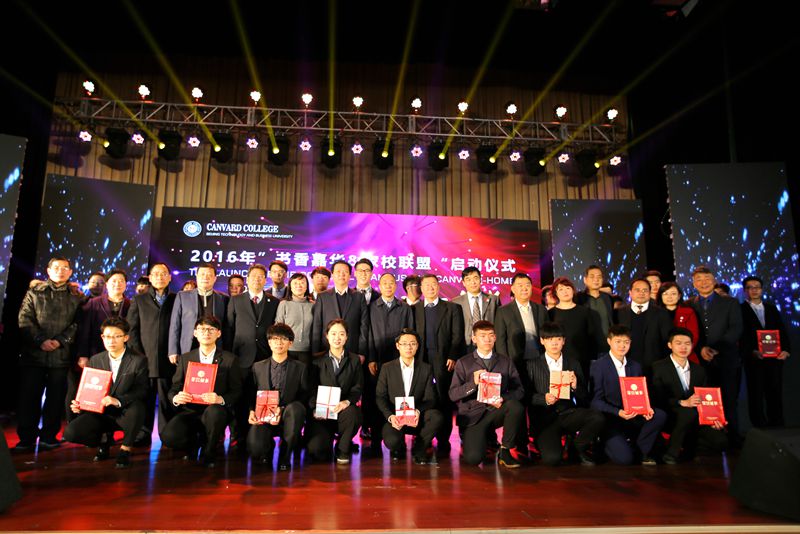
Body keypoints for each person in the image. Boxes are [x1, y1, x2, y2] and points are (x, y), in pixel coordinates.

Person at [16, 257, 84, 451]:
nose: (60, 271)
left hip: (61, 355)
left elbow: (78, 323)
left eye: (64, 268)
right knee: (29, 398)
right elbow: (25, 319)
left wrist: (60, 340)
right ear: (48, 270)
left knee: (55, 400)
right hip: (33, 355)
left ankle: (49, 437)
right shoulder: (34, 292)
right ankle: (26, 438)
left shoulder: (76, 296)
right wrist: (40, 341)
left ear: (70, 272)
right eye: (56, 268)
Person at [64, 317, 149, 468]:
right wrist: (81, 405)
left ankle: (125, 449)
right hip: (102, 411)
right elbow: (90, 390)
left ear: (126, 338)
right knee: (71, 433)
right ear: (102, 337)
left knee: (137, 408)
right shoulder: (96, 360)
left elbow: (142, 390)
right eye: (107, 336)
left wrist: (118, 400)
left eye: (117, 336)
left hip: (125, 410)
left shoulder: (138, 360)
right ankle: (104, 441)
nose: (111, 341)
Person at [161, 316, 242, 467]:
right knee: (169, 437)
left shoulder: (230, 359)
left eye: (211, 329)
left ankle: (209, 451)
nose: (206, 333)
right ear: (195, 333)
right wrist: (176, 398)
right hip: (191, 409)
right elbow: (174, 388)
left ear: (218, 333)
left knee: (214, 413)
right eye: (202, 329)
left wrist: (220, 399)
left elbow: (237, 391)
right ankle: (194, 443)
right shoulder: (186, 358)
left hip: (216, 411)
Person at [449, 321, 525, 468]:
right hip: (473, 416)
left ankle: (505, 450)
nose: (487, 339)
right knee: (474, 459)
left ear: (495, 337)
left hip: (495, 411)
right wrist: (473, 384)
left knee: (515, 406)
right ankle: (479, 438)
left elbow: (519, 390)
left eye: (490, 335)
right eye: (482, 336)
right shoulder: (463, 363)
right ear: (474, 338)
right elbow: (453, 394)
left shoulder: (505, 361)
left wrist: (503, 398)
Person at [526, 322, 604, 466]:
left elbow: (584, 396)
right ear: (542, 341)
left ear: (564, 341)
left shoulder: (573, 363)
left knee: (597, 417)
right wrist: (544, 398)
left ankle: (576, 447)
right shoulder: (531, 364)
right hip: (545, 420)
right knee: (552, 459)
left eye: (558, 339)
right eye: (550, 339)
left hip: (568, 414)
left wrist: (575, 387)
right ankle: (544, 443)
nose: (554, 343)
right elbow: (526, 395)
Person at [590, 325, 666, 465]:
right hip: (612, 417)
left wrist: (646, 408)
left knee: (659, 415)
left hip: (633, 415)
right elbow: (595, 401)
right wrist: (618, 412)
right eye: (618, 341)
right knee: (625, 459)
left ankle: (640, 450)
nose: (622, 346)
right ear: (609, 341)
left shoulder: (635, 366)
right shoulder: (598, 366)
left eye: (626, 342)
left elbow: (640, 393)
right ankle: (607, 444)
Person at [651, 327, 728, 464]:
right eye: (678, 343)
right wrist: (682, 402)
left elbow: (706, 398)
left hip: (695, 417)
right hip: (669, 414)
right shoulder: (657, 367)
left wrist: (714, 418)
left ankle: (689, 446)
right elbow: (656, 399)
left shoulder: (699, 370)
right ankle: (671, 453)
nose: (683, 347)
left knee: (721, 441)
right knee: (687, 413)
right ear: (670, 345)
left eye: (687, 343)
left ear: (692, 345)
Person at [226, 264, 280, 448]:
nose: (257, 279)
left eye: (261, 276)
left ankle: (261, 434)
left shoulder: (274, 301)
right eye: (253, 276)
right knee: (240, 396)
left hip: (264, 356)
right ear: (247, 279)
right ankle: (237, 434)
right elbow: (229, 328)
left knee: (262, 394)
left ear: (266, 280)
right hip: (241, 356)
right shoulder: (236, 300)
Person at [688, 265, 743, 440]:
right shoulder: (688, 304)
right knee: (703, 399)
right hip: (699, 360)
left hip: (726, 358)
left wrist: (715, 348)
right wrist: (700, 348)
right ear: (694, 283)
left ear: (714, 281)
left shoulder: (730, 302)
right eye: (699, 280)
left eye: (707, 279)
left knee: (728, 399)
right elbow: (688, 331)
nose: (703, 283)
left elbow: (736, 328)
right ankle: (709, 439)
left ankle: (732, 437)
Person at [413, 274, 465, 455]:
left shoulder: (452, 308)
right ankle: (423, 437)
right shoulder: (414, 309)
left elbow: (458, 335)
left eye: (433, 284)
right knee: (421, 396)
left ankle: (443, 439)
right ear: (421, 288)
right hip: (420, 359)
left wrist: (452, 355)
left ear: (438, 286)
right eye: (426, 285)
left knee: (444, 398)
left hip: (444, 359)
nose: (430, 287)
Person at [246, 323, 309, 471]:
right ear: (269, 342)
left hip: (288, 415)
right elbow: (250, 393)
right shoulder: (257, 367)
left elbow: (304, 395)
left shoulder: (300, 368)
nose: (279, 343)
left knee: (296, 409)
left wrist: (282, 408)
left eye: (283, 339)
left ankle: (285, 455)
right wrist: (251, 411)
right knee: (256, 449)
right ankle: (267, 448)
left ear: (290, 343)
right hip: (264, 416)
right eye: (275, 339)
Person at [375, 329, 443, 464]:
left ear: (417, 346)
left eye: (412, 343)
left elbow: (431, 399)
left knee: (436, 416)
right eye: (404, 343)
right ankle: (399, 447)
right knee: (392, 441)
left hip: (417, 417)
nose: (409, 347)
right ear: (397, 346)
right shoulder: (387, 368)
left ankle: (420, 447)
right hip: (395, 418)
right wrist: (390, 416)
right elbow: (380, 397)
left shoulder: (426, 368)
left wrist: (418, 411)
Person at [127, 262, 178, 443]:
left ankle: (167, 434)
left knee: (167, 401)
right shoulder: (139, 300)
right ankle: (142, 433)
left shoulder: (176, 299)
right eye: (156, 274)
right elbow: (132, 330)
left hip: (169, 360)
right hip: (145, 360)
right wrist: (139, 356)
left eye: (163, 273)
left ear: (169, 277)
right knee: (144, 399)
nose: (160, 277)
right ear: (150, 277)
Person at [72, 269, 131, 423]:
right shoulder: (94, 303)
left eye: (121, 281)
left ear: (126, 284)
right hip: (96, 353)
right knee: (96, 392)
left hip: (121, 356)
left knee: (115, 390)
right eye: (114, 281)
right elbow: (85, 330)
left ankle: (112, 426)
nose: (117, 284)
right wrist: (83, 354)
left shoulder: (131, 304)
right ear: (107, 284)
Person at [365, 273, 413, 446]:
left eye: (391, 283)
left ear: (396, 285)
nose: (388, 286)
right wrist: (371, 358)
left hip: (398, 359)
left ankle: (398, 436)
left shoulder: (404, 307)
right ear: (379, 285)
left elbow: (410, 334)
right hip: (377, 359)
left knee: (398, 395)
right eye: (384, 283)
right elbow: (368, 333)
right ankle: (375, 436)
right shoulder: (371, 307)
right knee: (377, 396)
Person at [307, 320, 363, 464]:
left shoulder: (354, 360)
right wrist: (314, 409)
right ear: (327, 336)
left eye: (341, 334)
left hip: (343, 410)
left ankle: (342, 447)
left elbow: (357, 387)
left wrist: (347, 402)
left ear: (346, 337)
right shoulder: (316, 360)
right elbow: (311, 388)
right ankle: (326, 440)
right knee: (317, 451)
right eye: (333, 334)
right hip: (322, 413)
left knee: (354, 413)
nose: (337, 337)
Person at [739, 275, 791, 428]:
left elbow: (782, 330)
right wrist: (751, 351)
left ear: (761, 289)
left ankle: (778, 425)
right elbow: (741, 335)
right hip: (754, 358)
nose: (754, 290)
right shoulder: (740, 309)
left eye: (757, 287)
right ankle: (760, 427)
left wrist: (786, 350)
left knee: (775, 392)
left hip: (775, 358)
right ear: (745, 291)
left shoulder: (771, 308)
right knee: (756, 393)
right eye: (750, 287)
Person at [168, 263, 229, 362]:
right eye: (202, 274)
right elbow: (175, 325)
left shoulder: (223, 298)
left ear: (215, 278)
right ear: (196, 276)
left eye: (209, 275)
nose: (205, 277)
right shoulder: (182, 296)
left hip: (215, 348)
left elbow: (226, 326)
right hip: (188, 347)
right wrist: (173, 350)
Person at [614, 278, 672, 375]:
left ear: (650, 293)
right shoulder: (618, 313)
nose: (641, 293)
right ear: (630, 293)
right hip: (625, 364)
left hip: (654, 365)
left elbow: (667, 340)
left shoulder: (661, 313)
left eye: (645, 290)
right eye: (637, 290)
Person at [547, 277, 603, 378]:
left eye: (568, 288)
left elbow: (592, 337)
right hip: (558, 360)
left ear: (573, 290)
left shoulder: (585, 312)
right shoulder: (550, 314)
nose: (565, 292)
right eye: (561, 289)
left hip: (582, 358)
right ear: (556, 294)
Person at [311, 260, 369, 355]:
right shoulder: (322, 297)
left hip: (352, 350)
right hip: (326, 349)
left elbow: (364, 326)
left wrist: (361, 352)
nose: (341, 274)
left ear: (350, 276)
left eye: (345, 272)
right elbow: (317, 326)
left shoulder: (359, 297)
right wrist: (316, 352)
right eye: (338, 271)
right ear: (332, 275)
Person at [451, 267, 500, 352]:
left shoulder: (493, 299)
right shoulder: (456, 302)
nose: (473, 282)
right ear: (463, 283)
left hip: (488, 343)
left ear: (480, 279)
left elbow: (499, 325)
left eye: (475, 278)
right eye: (468, 279)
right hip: (465, 345)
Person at [275, 273, 315, 364]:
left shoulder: (313, 305)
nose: (299, 286)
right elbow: (278, 328)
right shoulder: (284, 304)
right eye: (295, 283)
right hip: (288, 350)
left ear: (306, 286)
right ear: (290, 287)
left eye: (302, 283)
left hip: (308, 351)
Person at [656, 282, 700, 364]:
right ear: (660, 296)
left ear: (679, 296)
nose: (669, 297)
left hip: (685, 354)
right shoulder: (655, 313)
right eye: (665, 294)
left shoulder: (689, 312)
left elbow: (694, 336)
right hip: (661, 356)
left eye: (673, 294)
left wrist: (682, 349)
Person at [575, 265, 613, 338]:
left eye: (599, 277)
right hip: (586, 340)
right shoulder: (578, 298)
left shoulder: (607, 298)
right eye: (592, 277)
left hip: (607, 340)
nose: (596, 279)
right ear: (585, 280)